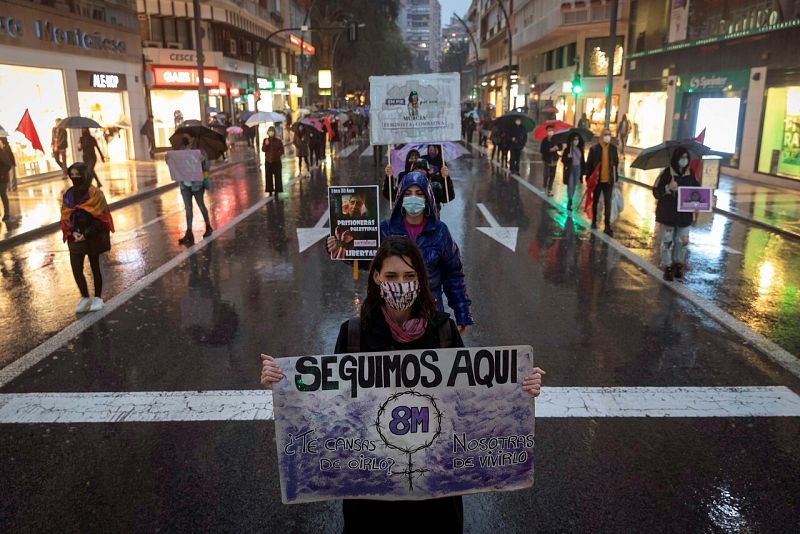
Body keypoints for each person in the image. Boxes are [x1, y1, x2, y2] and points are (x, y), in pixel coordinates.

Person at [261, 236, 545, 533]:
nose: (401, 284)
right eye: (392, 276)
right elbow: (332, 404)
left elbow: (472, 399)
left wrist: (519, 387)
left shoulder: (444, 331)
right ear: (376, 277)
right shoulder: (354, 334)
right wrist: (285, 383)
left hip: (434, 496)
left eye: (409, 276)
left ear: (420, 279)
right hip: (372, 494)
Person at [60, 162, 114, 313]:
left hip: (92, 236)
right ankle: (84, 296)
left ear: (85, 175)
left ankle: (98, 298)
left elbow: (102, 217)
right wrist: (72, 232)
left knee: (95, 267)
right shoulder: (68, 194)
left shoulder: (95, 194)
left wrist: (87, 233)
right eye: (72, 174)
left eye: (78, 174)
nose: (75, 177)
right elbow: (65, 215)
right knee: (76, 268)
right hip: (75, 237)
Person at [652, 147, 700, 281]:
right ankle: (667, 266)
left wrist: (703, 201)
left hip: (684, 216)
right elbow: (656, 192)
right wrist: (668, 188)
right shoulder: (667, 173)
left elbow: (697, 191)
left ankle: (678, 264)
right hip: (668, 215)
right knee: (667, 242)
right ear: (676, 158)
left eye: (686, 157)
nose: (684, 160)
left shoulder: (690, 174)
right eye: (682, 157)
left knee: (682, 242)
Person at [178, 133, 213, 245]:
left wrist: (202, 161)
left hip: (197, 185)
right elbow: (176, 165)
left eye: (187, 136)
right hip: (184, 185)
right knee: (188, 209)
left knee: (201, 205)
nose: (185, 137)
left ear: (192, 138)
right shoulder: (180, 151)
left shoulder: (200, 151)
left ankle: (208, 226)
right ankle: (189, 233)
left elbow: (207, 167)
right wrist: (169, 160)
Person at [585, 128, 620, 236]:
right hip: (597, 180)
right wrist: (588, 178)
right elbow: (589, 164)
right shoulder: (594, 149)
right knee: (595, 201)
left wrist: (616, 178)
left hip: (608, 180)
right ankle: (594, 221)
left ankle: (607, 225)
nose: (607, 136)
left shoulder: (613, 149)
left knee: (608, 202)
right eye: (605, 134)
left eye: (609, 134)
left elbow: (616, 163)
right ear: (601, 135)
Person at [560, 132, 585, 212]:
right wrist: (568, 157)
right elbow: (563, 160)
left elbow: (582, 161)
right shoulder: (568, 150)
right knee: (570, 185)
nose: (576, 141)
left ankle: (570, 198)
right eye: (574, 139)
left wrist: (584, 172)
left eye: (577, 139)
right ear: (571, 140)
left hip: (578, 169)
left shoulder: (580, 149)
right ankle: (570, 201)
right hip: (570, 169)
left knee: (574, 185)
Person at [261, 126, 284, 195]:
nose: (271, 133)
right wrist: (266, 145)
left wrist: (277, 154)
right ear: (268, 132)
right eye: (270, 131)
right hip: (268, 161)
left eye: (272, 131)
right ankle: (270, 190)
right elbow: (263, 149)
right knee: (268, 177)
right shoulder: (265, 140)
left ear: (274, 132)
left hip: (276, 161)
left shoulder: (278, 141)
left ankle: (277, 190)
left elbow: (282, 150)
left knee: (277, 176)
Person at [539, 125, 560, 197]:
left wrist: (558, 147)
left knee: (552, 175)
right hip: (547, 159)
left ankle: (550, 189)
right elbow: (542, 150)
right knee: (546, 174)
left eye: (551, 130)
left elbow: (560, 146)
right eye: (549, 130)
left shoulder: (556, 139)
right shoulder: (544, 140)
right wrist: (550, 150)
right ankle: (544, 187)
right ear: (547, 131)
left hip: (554, 159)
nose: (550, 132)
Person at [0, 136, 15, 221]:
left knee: (3, 195)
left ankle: (7, 214)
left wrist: (1, 174)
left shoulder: (1, 152)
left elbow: (8, 165)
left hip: (2, 179)